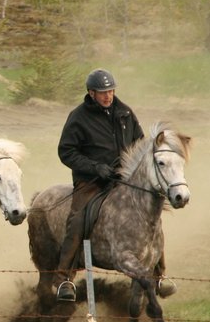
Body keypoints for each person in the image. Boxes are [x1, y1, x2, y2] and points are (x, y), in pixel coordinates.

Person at [54, 68, 144, 301]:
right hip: (90, 181)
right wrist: (95, 168)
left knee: (149, 213)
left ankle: (160, 274)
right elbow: (66, 151)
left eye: (111, 91)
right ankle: (64, 278)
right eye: (103, 92)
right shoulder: (78, 117)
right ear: (91, 93)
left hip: (123, 179)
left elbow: (140, 144)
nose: (108, 96)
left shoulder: (125, 113)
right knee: (78, 219)